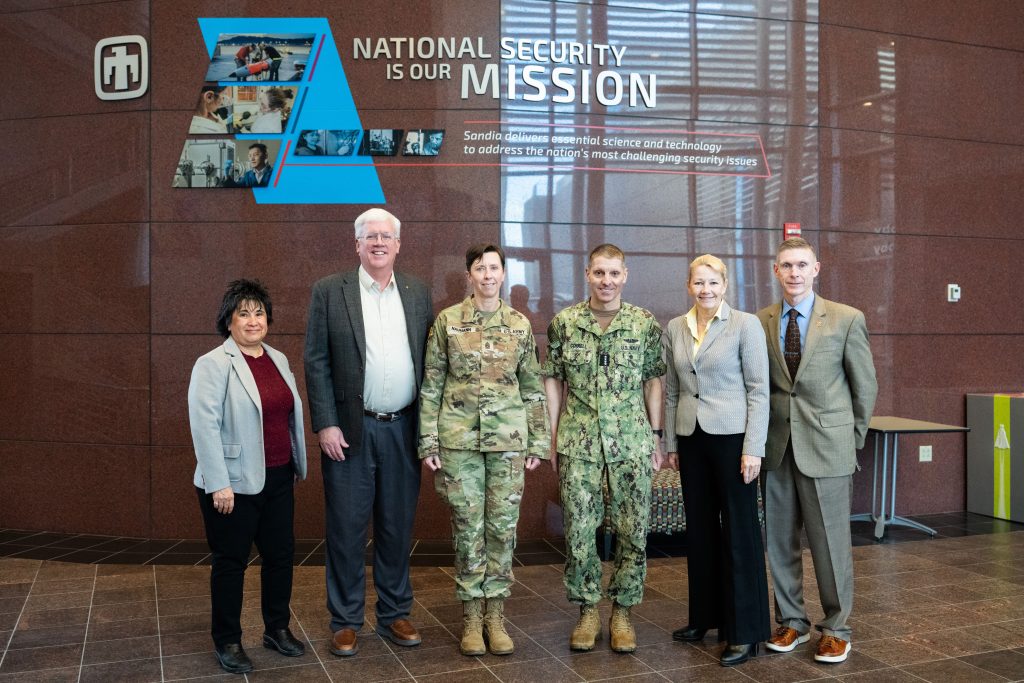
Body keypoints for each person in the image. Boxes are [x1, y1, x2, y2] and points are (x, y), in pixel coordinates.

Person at [303, 208, 433, 657]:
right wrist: (325, 423)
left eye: (386, 236)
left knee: (397, 527)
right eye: (370, 236)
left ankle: (395, 612)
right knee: (346, 529)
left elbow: (430, 365)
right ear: (356, 244)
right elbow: (316, 359)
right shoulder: (329, 291)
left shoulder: (417, 293)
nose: (379, 242)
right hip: (349, 433)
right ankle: (345, 620)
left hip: (403, 429)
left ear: (399, 244)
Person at [418, 243, 550, 657]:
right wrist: (429, 440)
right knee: (468, 528)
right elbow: (432, 384)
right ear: (469, 274)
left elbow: (532, 387)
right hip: (459, 444)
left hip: (508, 443)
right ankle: (472, 617)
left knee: (502, 528)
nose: (488, 275)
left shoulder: (519, 324)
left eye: (495, 268)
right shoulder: (448, 322)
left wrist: (538, 441)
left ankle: (496, 615)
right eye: (481, 268)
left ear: (503, 274)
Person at [756, 237, 877, 664]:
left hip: (828, 447)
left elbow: (865, 386)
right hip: (777, 447)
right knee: (780, 542)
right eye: (786, 265)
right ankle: (791, 621)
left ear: (816, 269)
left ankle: (836, 629)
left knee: (829, 543)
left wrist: (852, 438)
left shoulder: (846, 319)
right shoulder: (762, 321)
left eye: (801, 265)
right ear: (776, 271)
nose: (794, 273)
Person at [542, 243, 666, 654]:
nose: (607, 281)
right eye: (599, 273)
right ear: (587, 274)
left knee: (633, 531)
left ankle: (623, 613)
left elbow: (653, 381)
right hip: (579, 443)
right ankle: (587, 611)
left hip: (631, 442)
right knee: (579, 531)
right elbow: (553, 382)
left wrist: (656, 435)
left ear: (625, 275)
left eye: (614, 274)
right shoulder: (564, 323)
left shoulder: (644, 323)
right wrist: (553, 437)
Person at [188, 279, 308, 675]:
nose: (253, 320)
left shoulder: (277, 357)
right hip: (233, 483)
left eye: (259, 313)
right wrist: (218, 481)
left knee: (280, 557)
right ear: (228, 321)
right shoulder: (213, 364)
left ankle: (276, 628)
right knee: (230, 562)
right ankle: (227, 640)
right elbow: (204, 427)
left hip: (277, 476)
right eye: (244, 313)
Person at [663, 255, 771, 666]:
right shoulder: (676, 327)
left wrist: (753, 448)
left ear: (725, 285)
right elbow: (673, 390)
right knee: (701, 532)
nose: (705, 290)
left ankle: (745, 631)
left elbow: (759, 391)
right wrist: (672, 442)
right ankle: (703, 617)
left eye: (712, 283)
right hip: (692, 439)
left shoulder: (745, 325)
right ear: (688, 285)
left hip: (734, 442)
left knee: (740, 534)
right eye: (698, 283)